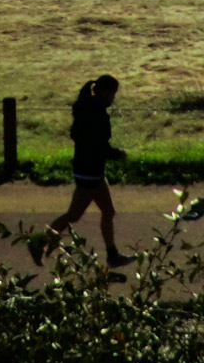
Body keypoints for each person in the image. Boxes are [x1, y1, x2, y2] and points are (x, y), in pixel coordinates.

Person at [32, 74, 134, 268]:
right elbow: (98, 144)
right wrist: (117, 154)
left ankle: (113, 254)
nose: (114, 98)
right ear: (104, 92)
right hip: (90, 172)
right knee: (73, 215)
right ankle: (38, 244)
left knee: (108, 211)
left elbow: (78, 136)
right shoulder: (96, 113)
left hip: (87, 169)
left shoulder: (86, 107)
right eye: (113, 93)